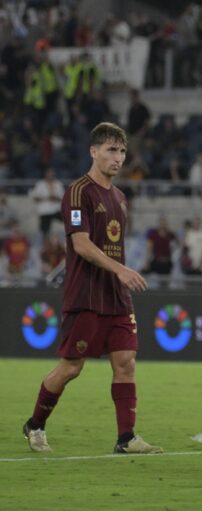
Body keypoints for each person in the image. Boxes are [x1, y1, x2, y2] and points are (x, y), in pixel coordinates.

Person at [22, 122, 161, 455]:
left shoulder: (120, 198)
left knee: (126, 362)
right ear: (93, 151)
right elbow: (81, 244)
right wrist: (121, 269)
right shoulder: (78, 192)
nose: (118, 157)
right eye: (112, 150)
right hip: (85, 295)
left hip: (116, 296)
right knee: (72, 367)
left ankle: (126, 438)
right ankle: (35, 424)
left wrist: (120, 274)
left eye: (122, 151)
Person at [29, 168, 65, 236]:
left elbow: (63, 197)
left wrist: (55, 198)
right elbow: (35, 197)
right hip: (44, 210)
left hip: (56, 209)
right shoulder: (40, 184)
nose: (51, 175)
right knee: (44, 231)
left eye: (52, 174)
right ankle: (45, 241)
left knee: (69, 219)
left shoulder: (58, 183)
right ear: (45, 174)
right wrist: (46, 198)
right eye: (49, 174)